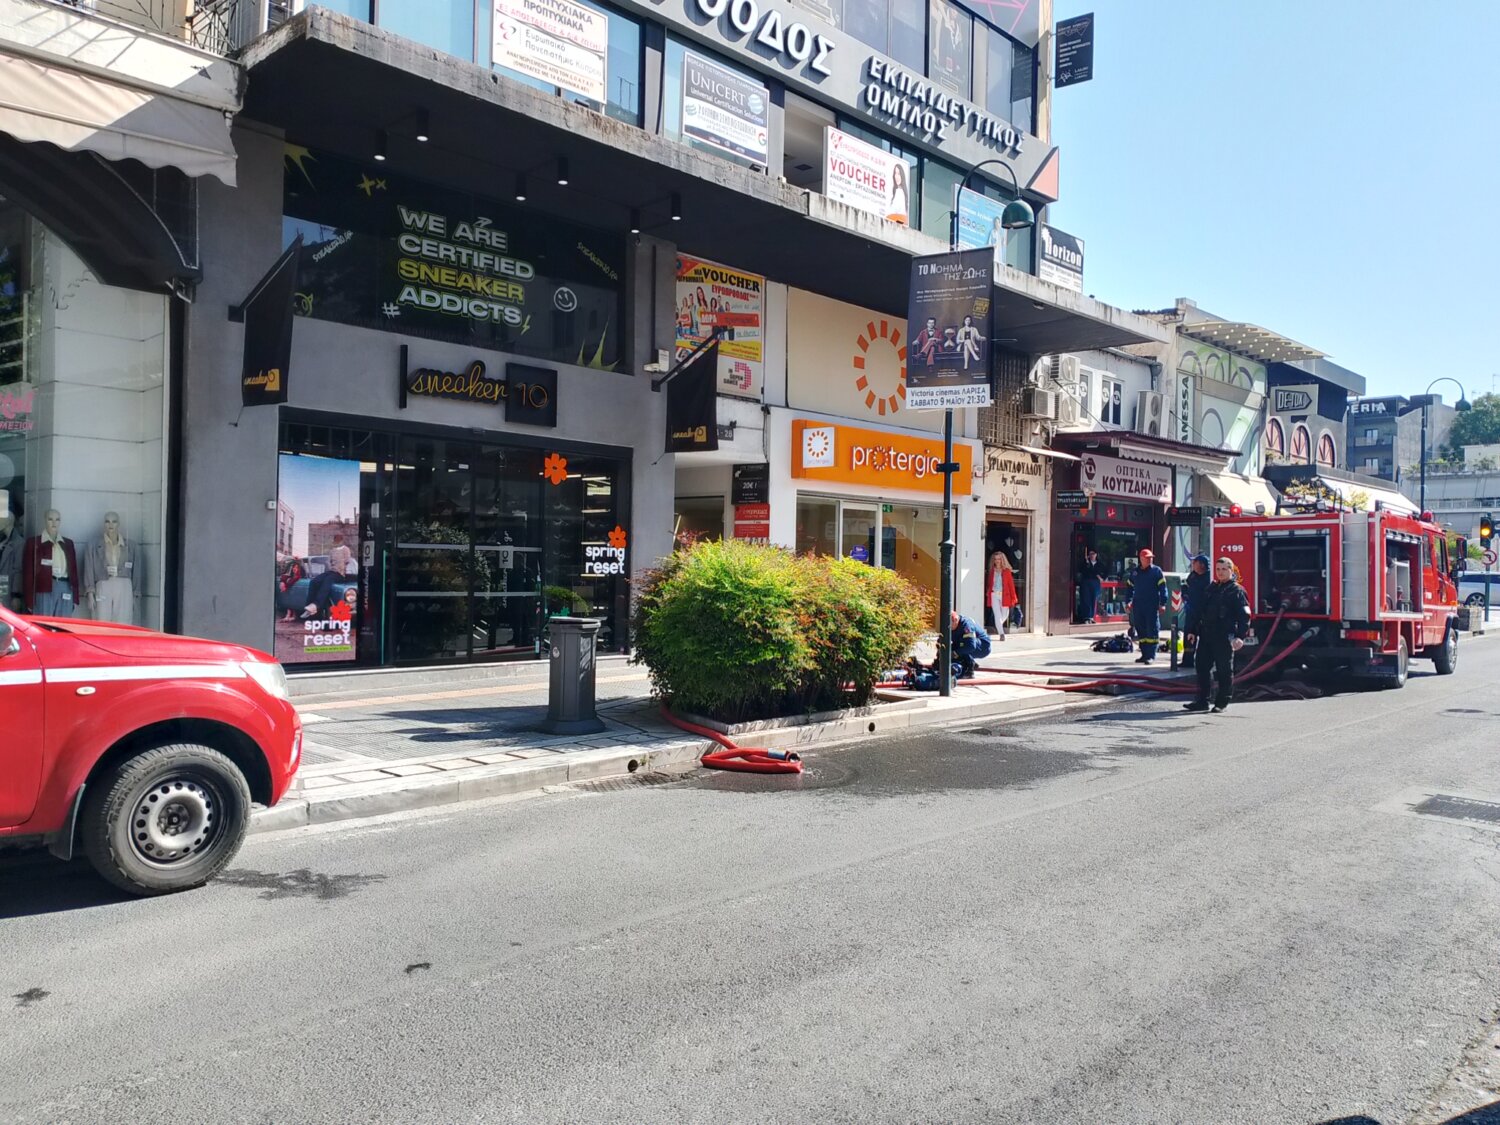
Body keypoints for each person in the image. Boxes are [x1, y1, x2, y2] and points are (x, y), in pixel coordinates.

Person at [1183, 557, 1252, 713]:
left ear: (1231, 571)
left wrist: (1240, 636)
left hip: (1224, 636)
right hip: (1206, 634)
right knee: (1202, 668)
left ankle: (1222, 702)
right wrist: (1193, 631)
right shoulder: (1211, 589)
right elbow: (1200, 611)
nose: (1220, 573)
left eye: (1224, 569)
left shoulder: (1237, 591)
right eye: (1218, 569)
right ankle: (1202, 701)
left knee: (1223, 670)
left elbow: (1244, 616)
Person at [1125, 548, 1167, 663]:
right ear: (1141, 559)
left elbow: (1163, 588)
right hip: (1138, 606)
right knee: (1141, 629)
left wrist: (1163, 603)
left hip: (1151, 605)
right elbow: (1129, 587)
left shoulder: (1156, 571)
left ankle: (1151, 655)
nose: (1150, 560)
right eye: (1147, 558)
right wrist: (1128, 601)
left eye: (1151, 558)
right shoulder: (1135, 572)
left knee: (1152, 629)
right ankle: (1144, 654)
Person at [1180, 554, 1211, 669]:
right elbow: (1186, 586)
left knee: (1204, 638)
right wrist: (1184, 593)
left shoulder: (1209, 578)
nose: (1192, 564)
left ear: (1202, 565)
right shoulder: (1192, 576)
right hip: (1191, 611)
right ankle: (1187, 661)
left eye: (1195, 562)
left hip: (1204, 613)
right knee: (1189, 636)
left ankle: (1204, 662)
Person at [949, 609, 991, 679]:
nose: (949, 628)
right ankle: (967, 662)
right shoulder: (953, 625)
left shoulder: (967, 626)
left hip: (983, 646)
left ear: (955, 620)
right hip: (969, 644)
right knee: (956, 645)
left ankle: (970, 669)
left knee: (963, 644)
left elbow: (971, 646)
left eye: (950, 625)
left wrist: (955, 653)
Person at [988, 550, 1017, 640]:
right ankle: (1001, 634)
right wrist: (988, 591)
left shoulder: (1007, 571)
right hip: (994, 594)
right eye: (995, 559)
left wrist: (1013, 597)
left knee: (1004, 615)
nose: (997, 561)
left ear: (1002, 560)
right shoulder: (992, 571)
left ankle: (998, 625)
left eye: (999, 559)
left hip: (1005, 595)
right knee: (997, 614)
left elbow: (1011, 585)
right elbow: (989, 583)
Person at [1077, 548, 1104, 624]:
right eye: (1090, 554)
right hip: (1086, 582)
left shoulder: (1099, 564)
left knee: (1094, 599)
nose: (1092, 555)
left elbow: (1105, 571)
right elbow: (1081, 570)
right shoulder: (1085, 563)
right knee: (1086, 599)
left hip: (1095, 582)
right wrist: (1087, 563)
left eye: (1093, 554)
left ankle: (1092, 617)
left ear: (1096, 555)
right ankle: (1086, 617)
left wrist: (1102, 577)